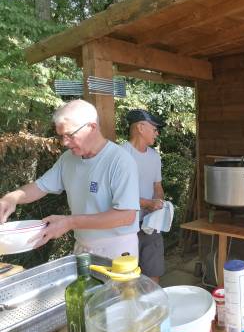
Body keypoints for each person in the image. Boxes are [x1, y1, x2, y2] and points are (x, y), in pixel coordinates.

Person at [0, 100, 140, 259]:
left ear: (91, 127)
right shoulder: (68, 159)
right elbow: (40, 186)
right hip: (82, 245)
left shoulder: (120, 161)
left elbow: (126, 216)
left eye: (70, 135)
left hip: (118, 249)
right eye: (61, 136)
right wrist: (12, 198)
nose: (65, 142)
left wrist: (70, 222)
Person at [121, 109, 165, 284]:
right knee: (127, 276)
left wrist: (159, 205)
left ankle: (153, 306)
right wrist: (148, 204)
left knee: (154, 269)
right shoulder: (119, 155)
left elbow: (158, 186)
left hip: (150, 223)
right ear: (140, 127)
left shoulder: (154, 156)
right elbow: (116, 195)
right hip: (124, 225)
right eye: (154, 128)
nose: (157, 133)